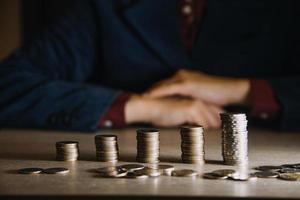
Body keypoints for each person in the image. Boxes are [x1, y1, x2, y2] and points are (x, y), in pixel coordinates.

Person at [0, 0, 299, 131]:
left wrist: (241, 91)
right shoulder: (103, 7)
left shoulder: (283, 7)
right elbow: (8, 85)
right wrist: (140, 107)